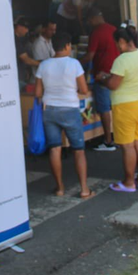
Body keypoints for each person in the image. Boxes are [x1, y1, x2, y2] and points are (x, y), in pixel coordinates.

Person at [35, 32, 93, 199]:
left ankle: (59, 187)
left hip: (50, 110)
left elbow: (38, 92)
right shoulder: (74, 64)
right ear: (68, 46)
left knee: (54, 149)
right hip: (70, 110)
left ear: (53, 47)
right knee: (79, 151)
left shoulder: (44, 65)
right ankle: (83, 189)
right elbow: (83, 90)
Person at [97, 27, 138, 193]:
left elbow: (113, 84)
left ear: (121, 41)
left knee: (127, 147)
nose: (117, 47)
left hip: (125, 106)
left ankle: (128, 182)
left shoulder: (122, 60)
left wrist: (103, 78)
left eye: (117, 43)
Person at [81, 8, 119, 151]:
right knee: (113, 107)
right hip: (116, 74)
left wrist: (75, 62)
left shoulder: (96, 33)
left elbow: (90, 56)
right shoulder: (114, 29)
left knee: (104, 109)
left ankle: (108, 141)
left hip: (102, 77)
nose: (89, 23)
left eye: (90, 20)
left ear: (95, 17)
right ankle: (116, 136)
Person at [14, 17, 40, 90]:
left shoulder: (18, 40)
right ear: (19, 26)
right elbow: (26, 59)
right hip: (16, 78)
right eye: (26, 28)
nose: (27, 31)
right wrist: (41, 64)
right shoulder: (15, 41)